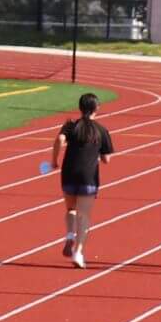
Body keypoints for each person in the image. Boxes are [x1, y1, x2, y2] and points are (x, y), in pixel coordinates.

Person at [51, 92, 113, 268]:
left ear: (80, 108)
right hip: (88, 176)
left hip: (69, 173)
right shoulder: (101, 130)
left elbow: (59, 139)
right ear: (97, 108)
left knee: (71, 208)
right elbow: (107, 159)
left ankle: (70, 235)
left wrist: (54, 161)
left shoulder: (71, 126)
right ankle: (78, 252)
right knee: (83, 216)